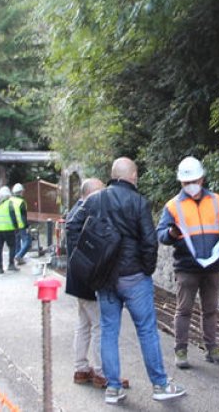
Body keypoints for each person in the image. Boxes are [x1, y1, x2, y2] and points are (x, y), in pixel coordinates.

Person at [66, 157, 186, 405]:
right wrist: (146, 270)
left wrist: (90, 257)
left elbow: (72, 226)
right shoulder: (139, 202)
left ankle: (112, 388)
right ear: (132, 176)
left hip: (105, 279)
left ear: (113, 175)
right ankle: (160, 385)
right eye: (136, 175)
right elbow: (149, 241)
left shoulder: (95, 199)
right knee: (146, 330)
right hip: (134, 278)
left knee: (109, 331)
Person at [156, 156, 219, 369]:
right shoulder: (172, 206)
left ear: (202, 179)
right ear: (181, 183)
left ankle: (212, 348)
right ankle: (181, 350)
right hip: (186, 266)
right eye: (186, 183)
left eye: (194, 180)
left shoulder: (217, 201)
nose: (191, 186)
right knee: (184, 309)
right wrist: (171, 233)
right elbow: (161, 234)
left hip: (212, 266)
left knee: (211, 309)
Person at [64, 178, 130, 391]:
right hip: (89, 281)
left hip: (77, 280)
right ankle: (103, 373)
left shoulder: (75, 211)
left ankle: (81, 368)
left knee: (84, 325)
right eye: (101, 193)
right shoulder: (86, 214)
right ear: (91, 194)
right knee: (100, 327)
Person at [0, 185, 21, 273]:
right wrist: (17, 227)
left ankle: (0, 268)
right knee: (12, 246)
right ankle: (11, 264)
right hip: (8, 229)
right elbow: (13, 216)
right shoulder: (9, 203)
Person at [10, 183, 31, 266]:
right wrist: (27, 226)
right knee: (28, 242)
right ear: (20, 192)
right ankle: (19, 255)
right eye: (22, 191)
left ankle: (18, 258)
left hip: (13, 226)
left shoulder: (10, 201)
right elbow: (23, 216)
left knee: (17, 242)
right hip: (21, 225)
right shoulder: (21, 202)